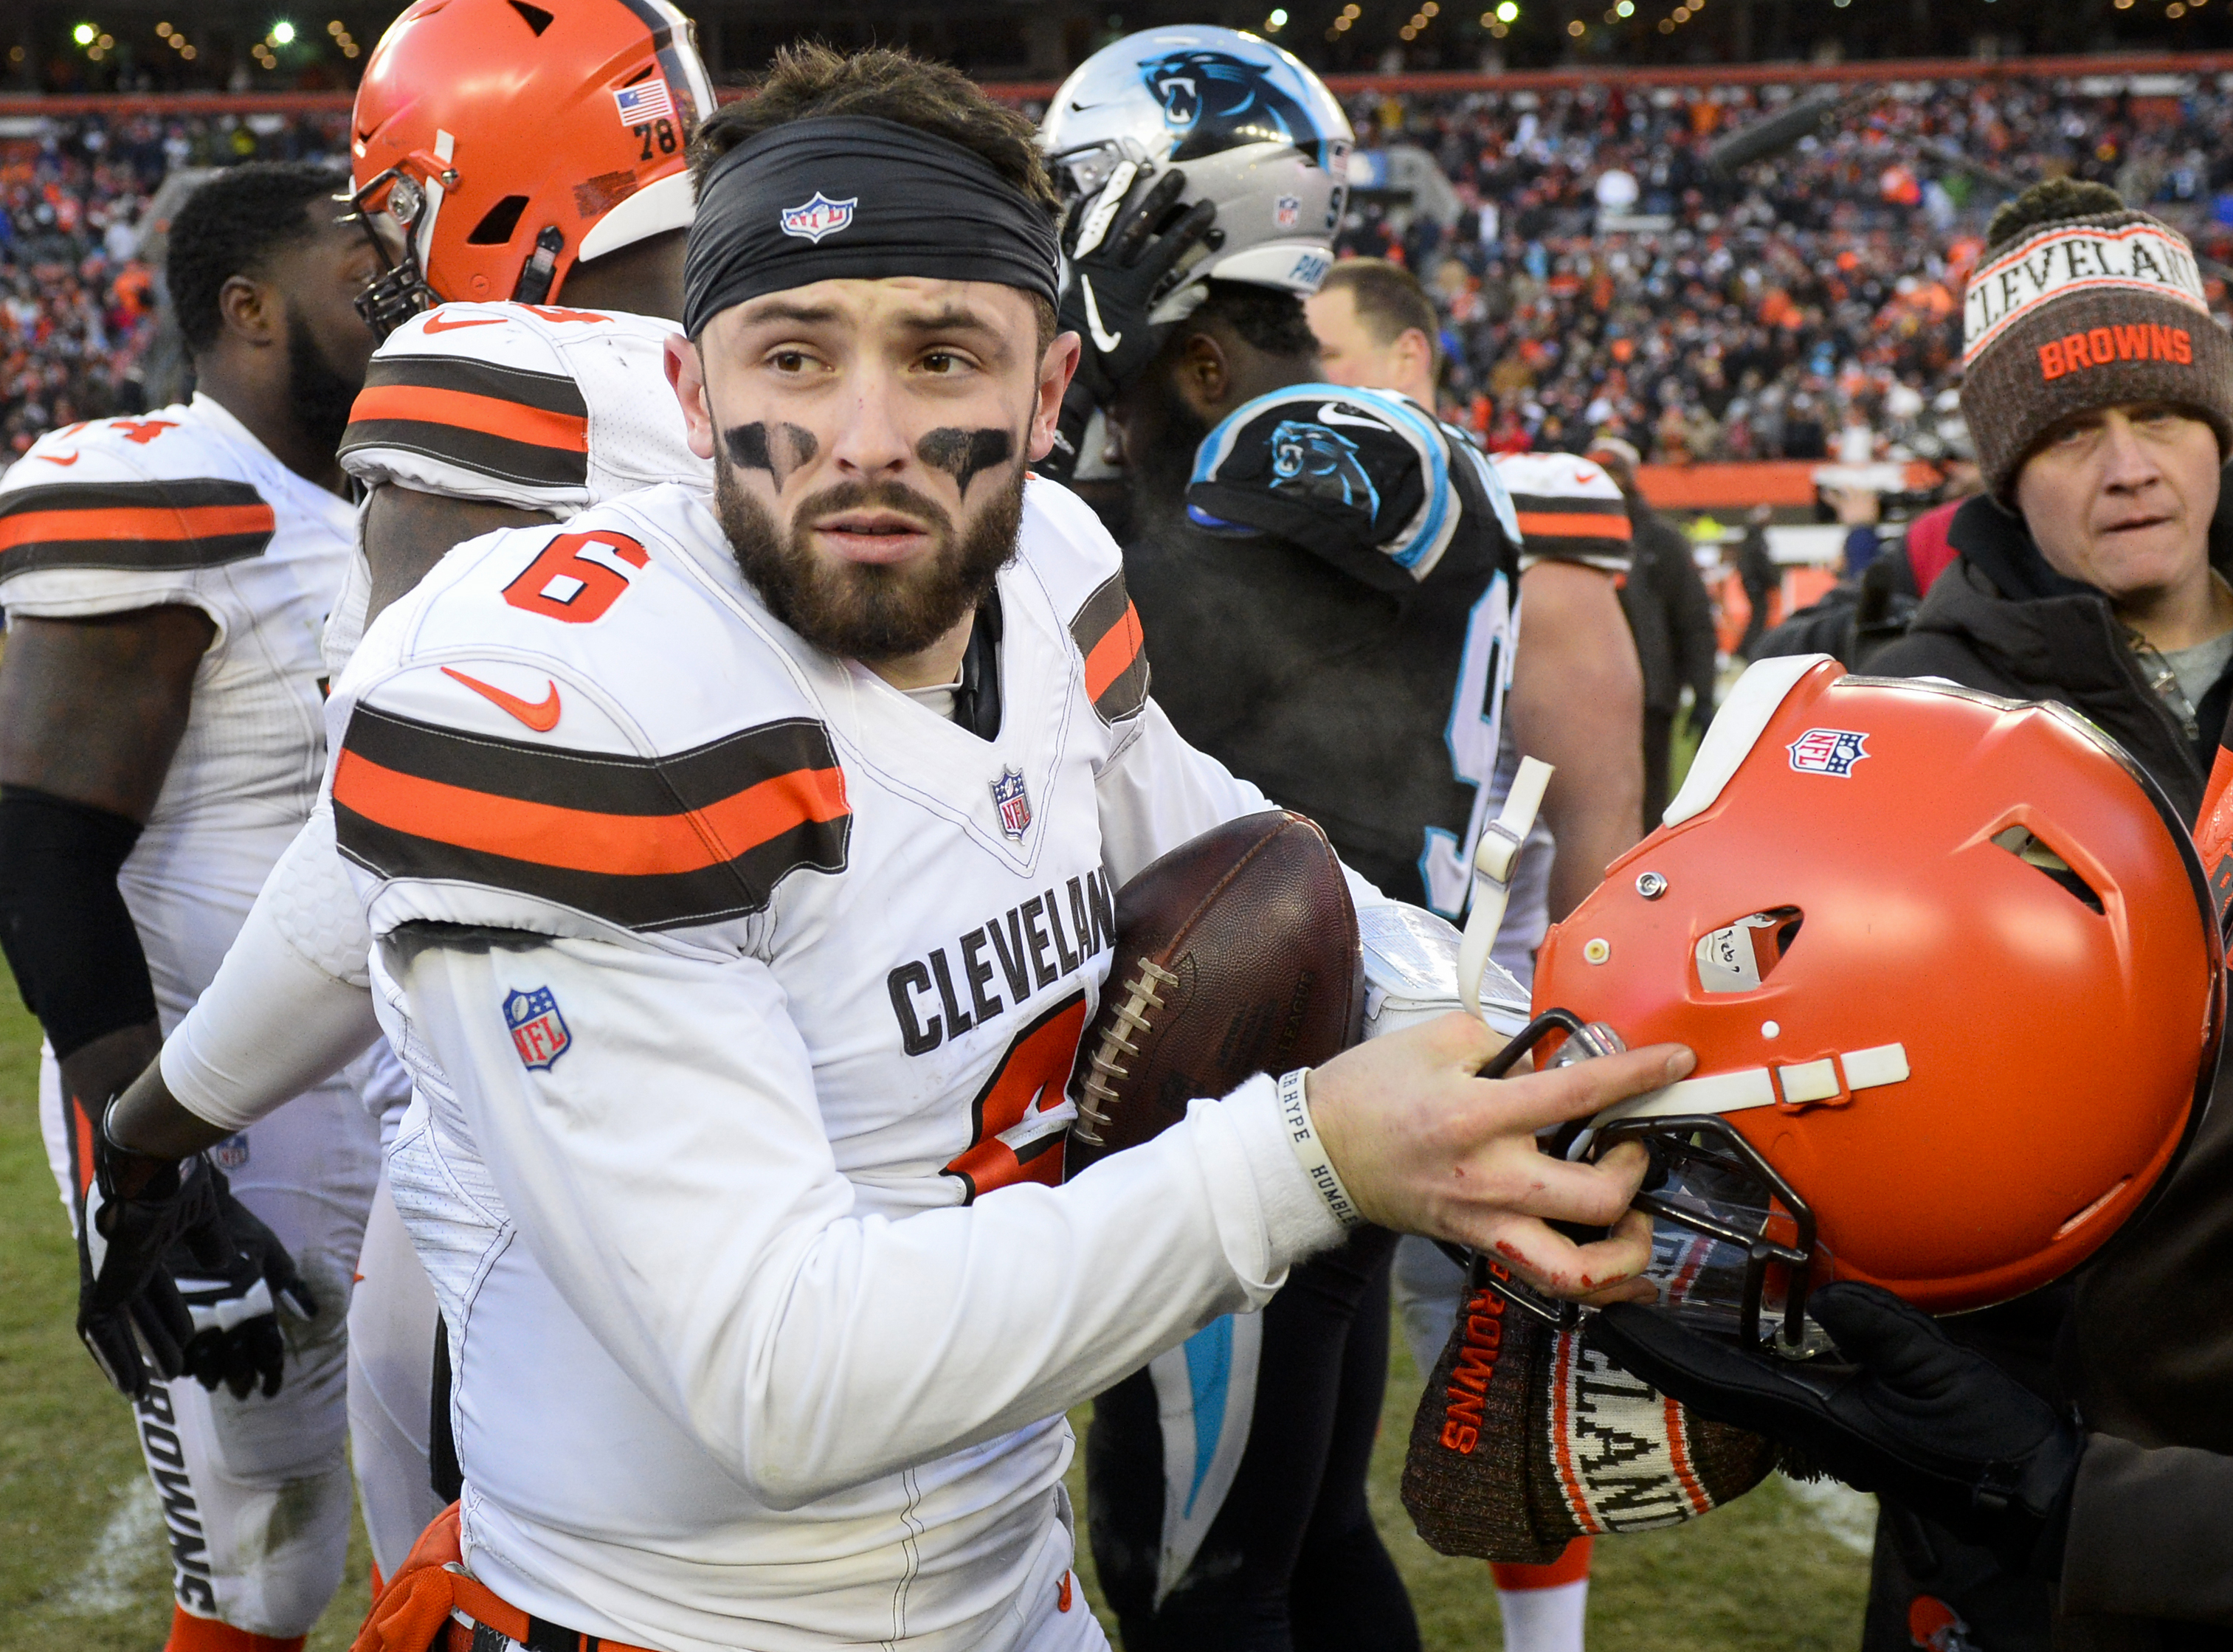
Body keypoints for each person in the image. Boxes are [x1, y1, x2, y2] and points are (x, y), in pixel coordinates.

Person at [303, 44, 1688, 1652]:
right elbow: (780, 1379)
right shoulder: (572, 701)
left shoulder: (1042, 582)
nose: (868, 434)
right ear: (694, 396)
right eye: (796, 357)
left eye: (943, 355)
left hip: (1009, 1588)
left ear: (1044, 395)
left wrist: (1555, 1068)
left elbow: (1248, 856)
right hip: (675, 1619)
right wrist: (1314, 1151)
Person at [97, 0, 718, 1580]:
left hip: (557, 1182)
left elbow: (370, 845)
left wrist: (156, 1125)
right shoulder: (828, 369)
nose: (392, 250)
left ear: (495, 182)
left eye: (403, 200)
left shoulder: (481, 395)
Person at [1595, 179, 2233, 1652]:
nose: (2126, 467)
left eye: (2162, 415)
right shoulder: (1898, 713)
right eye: (2070, 432)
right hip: (2002, 1425)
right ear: (2005, 468)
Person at [0, 162, 387, 1652]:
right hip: (222, 1101)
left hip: (414, 1075)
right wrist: (149, 1166)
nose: (391, 289)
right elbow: (39, 849)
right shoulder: (159, 483)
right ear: (247, 309)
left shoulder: (389, 494)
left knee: (493, 1495)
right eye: (353, 269)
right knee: (266, 1572)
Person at [1306, 256, 1646, 1652]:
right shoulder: (1274, 537)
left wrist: (1569, 1049)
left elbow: (1609, 841)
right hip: (1305, 1056)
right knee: (1297, 1449)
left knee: (1507, 1381)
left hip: (1483, 1036)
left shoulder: (1530, 527)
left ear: (1407, 362)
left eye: (1320, 353)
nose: (1295, 393)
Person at [1587, 435, 1719, 827]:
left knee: (1645, 805)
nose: (1606, 481)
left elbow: (1693, 620)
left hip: (1649, 697)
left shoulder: (1662, 540)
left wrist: (1704, 692)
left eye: (1613, 471)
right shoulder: (1577, 539)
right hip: (1587, 694)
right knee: (1590, 806)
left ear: (1630, 476)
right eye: (1597, 471)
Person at [1733, 502, 1778, 658]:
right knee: (1759, 617)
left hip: (1753, 582)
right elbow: (1759, 563)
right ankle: (1747, 649)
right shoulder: (1755, 538)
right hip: (1755, 583)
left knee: (1758, 616)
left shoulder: (1751, 536)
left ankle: (1746, 649)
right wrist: (1771, 581)